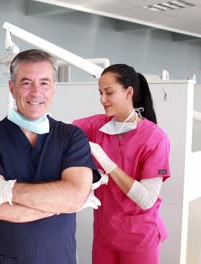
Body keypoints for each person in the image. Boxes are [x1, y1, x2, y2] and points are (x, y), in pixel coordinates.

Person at [0, 49, 100, 264]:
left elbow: (73, 196)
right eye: (26, 83)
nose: (36, 92)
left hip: (59, 258)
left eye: (44, 83)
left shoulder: (71, 136)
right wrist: (63, 204)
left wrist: (6, 190)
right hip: (6, 258)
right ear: (12, 88)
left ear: (54, 89)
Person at [72, 64, 170, 264]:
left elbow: (147, 199)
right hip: (105, 234)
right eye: (100, 93)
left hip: (139, 237)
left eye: (109, 92)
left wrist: (107, 164)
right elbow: (61, 134)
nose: (102, 100)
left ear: (129, 92)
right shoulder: (95, 126)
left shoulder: (155, 137)